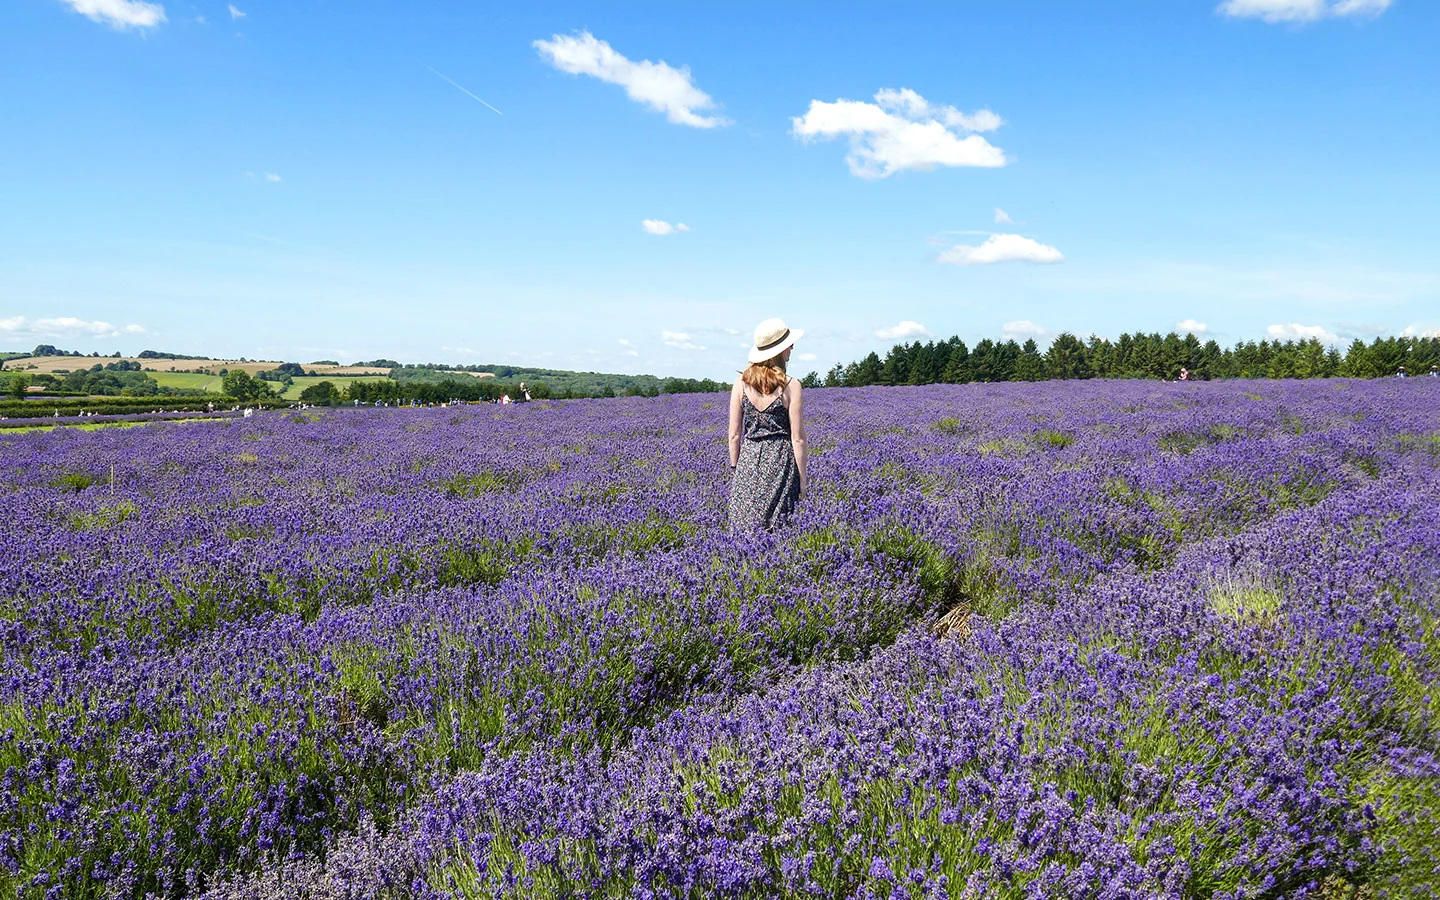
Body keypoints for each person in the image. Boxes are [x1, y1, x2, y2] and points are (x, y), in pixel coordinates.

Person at [728, 318, 807, 529]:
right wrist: (803, 481)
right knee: (779, 525)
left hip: (749, 459)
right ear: (779, 351)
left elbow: (734, 435)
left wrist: (736, 469)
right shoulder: (792, 386)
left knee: (744, 524)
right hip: (781, 461)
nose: (792, 348)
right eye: (789, 345)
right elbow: (797, 439)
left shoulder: (740, 383)